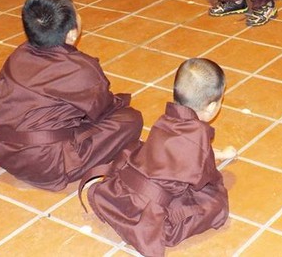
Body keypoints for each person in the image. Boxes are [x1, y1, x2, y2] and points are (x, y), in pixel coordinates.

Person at [0, 0, 143, 191]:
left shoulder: (17, 56)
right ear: (71, 34)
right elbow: (103, 110)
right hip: (48, 165)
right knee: (130, 119)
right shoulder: (80, 69)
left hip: (7, 152)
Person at [84, 57, 236, 257]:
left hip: (122, 193)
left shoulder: (165, 119)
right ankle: (149, 228)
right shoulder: (198, 135)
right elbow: (204, 179)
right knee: (216, 204)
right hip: (149, 214)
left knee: (139, 148)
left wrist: (217, 154)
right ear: (211, 107)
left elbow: (184, 155)